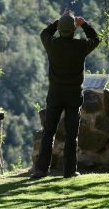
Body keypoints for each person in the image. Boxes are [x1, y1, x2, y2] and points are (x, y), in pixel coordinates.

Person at [31, 9, 100, 179]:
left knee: (49, 132)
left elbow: (44, 32)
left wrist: (60, 20)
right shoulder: (80, 46)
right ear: (74, 30)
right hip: (73, 96)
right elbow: (96, 39)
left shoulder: (51, 44)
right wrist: (83, 24)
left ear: (60, 29)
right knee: (71, 134)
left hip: (55, 95)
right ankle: (69, 171)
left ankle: (41, 170)